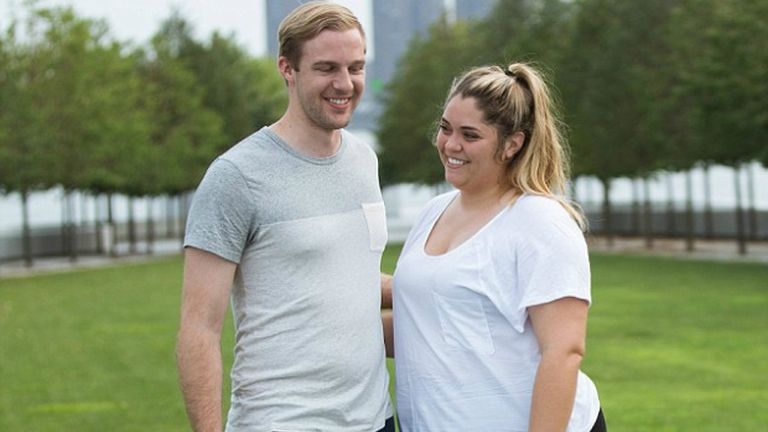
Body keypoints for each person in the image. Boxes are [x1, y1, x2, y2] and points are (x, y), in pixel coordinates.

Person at [176, 2, 394, 431]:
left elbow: (349, 276)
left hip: (375, 419)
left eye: (355, 67)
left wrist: (436, 286)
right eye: (326, 68)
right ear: (287, 69)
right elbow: (199, 328)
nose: (344, 83)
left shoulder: (364, 161)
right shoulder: (236, 175)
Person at [384, 63, 606, 431]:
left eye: (470, 135)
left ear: (512, 144)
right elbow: (426, 321)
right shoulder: (433, 212)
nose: (450, 144)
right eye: (445, 128)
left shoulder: (540, 222)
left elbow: (563, 353)